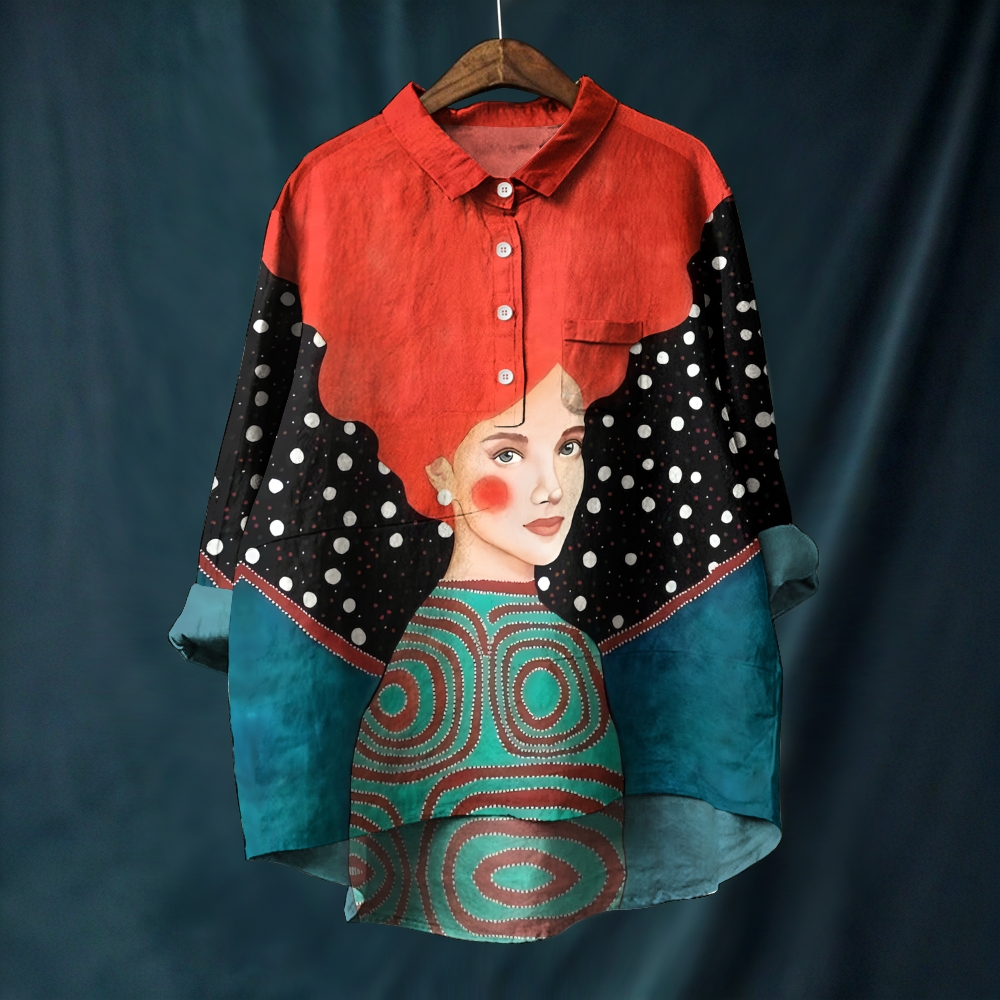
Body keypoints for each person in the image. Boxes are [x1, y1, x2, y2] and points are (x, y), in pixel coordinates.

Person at [346, 365, 627, 938]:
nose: (551, 487)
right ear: (439, 469)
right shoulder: (430, 659)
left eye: (568, 447)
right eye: (507, 454)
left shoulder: (576, 649)